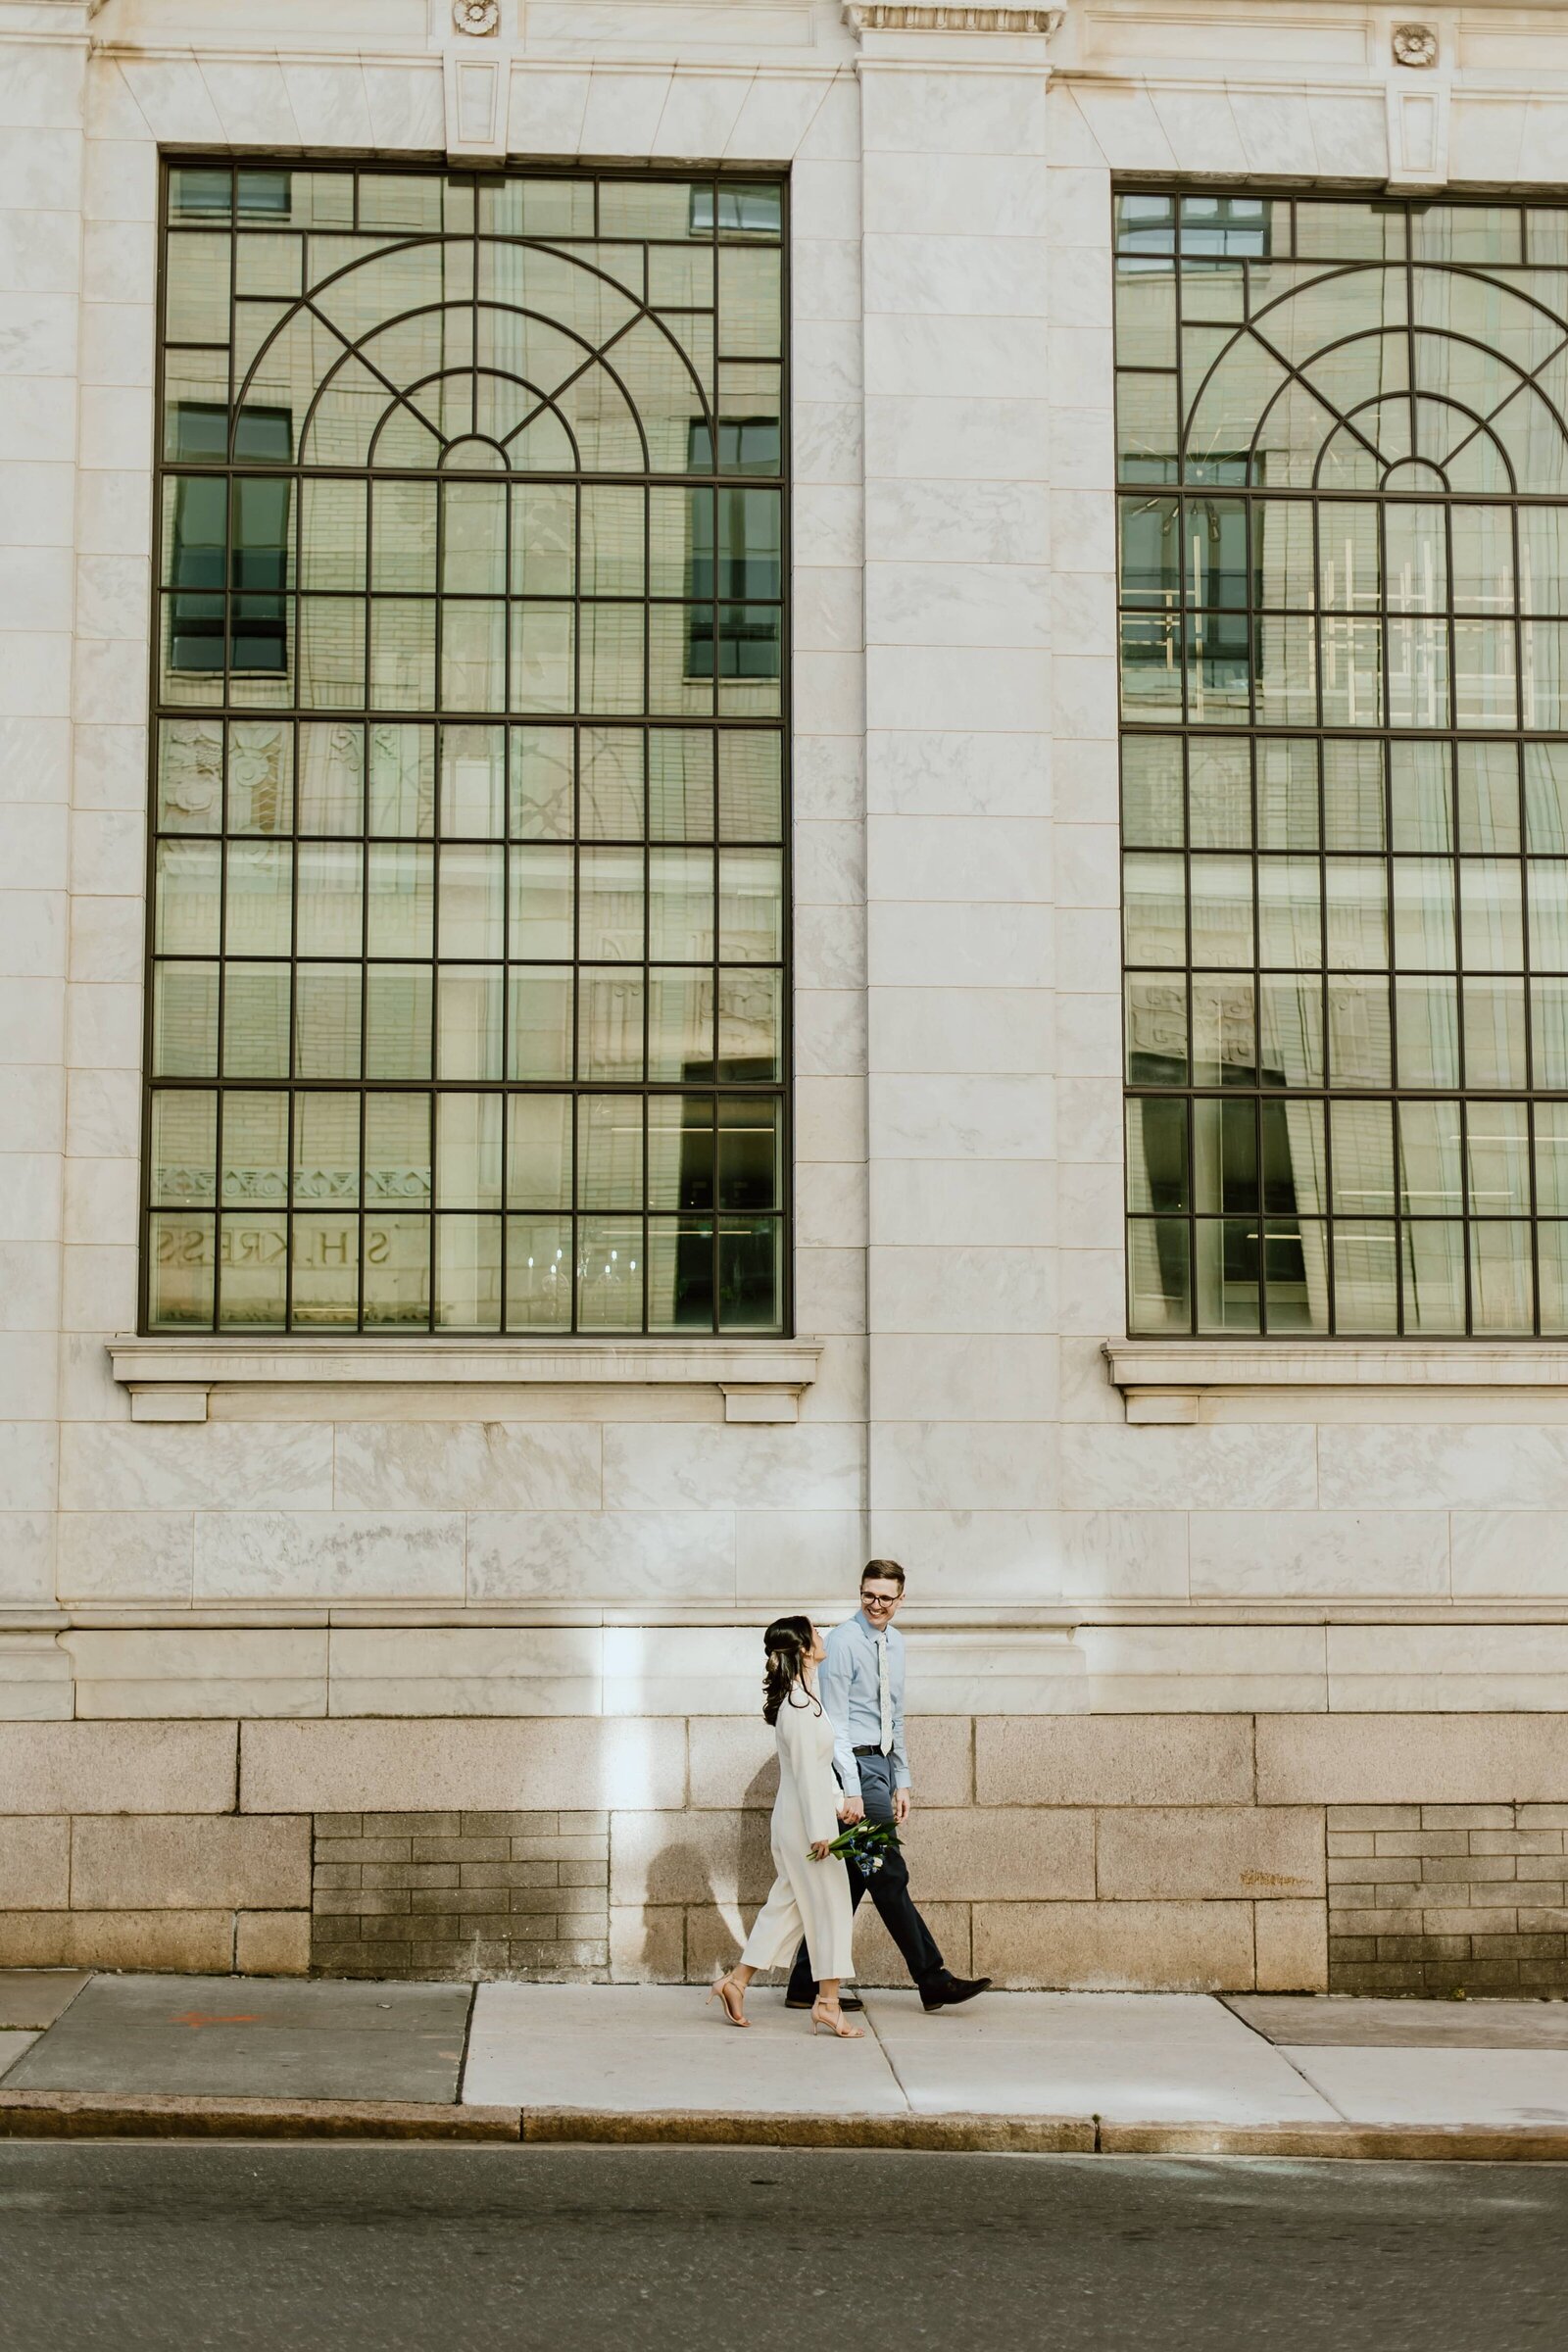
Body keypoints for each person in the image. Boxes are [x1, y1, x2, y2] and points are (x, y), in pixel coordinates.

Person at [785, 1560, 991, 2016]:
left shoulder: (895, 1643)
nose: (876, 1605)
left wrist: (903, 1779)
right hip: (853, 1766)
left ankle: (804, 1981)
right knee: (889, 1872)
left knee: (860, 1876)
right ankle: (931, 1977)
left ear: (901, 1599)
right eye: (868, 1595)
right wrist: (854, 1789)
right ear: (860, 1593)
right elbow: (834, 1721)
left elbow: (893, 1716)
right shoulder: (840, 1641)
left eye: (885, 1597)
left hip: (881, 1767)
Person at [708, 1616, 863, 2039]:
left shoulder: (806, 1699)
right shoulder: (798, 1707)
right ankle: (828, 2004)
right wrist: (823, 1830)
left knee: (789, 1907)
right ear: (801, 1650)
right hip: (806, 1826)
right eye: (815, 1633)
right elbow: (807, 1778)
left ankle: (735, 1982)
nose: (822, 1637)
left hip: (807, 1818)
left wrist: (841, 1806)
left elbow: (813, 1771)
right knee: (831, 1906)